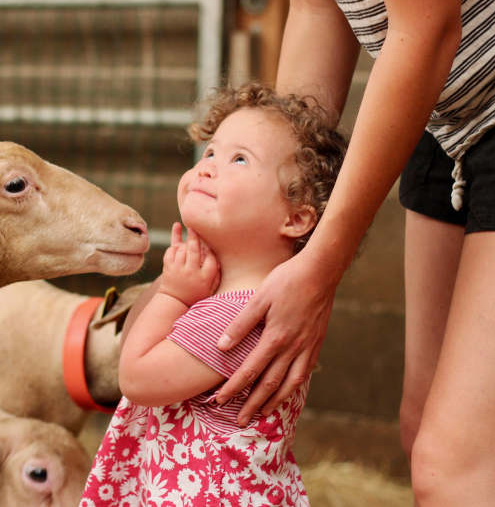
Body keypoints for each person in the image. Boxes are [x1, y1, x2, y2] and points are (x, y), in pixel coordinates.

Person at [212, 0, 495, 504]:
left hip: (487, 79)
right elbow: (317, 9)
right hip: (444, 112)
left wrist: (320, 267)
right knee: (422, 429)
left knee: (457, 467)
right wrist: (276, 221)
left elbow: (426, 29)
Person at [79, 82, 346, 506]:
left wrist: (174, 295)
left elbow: (135, 377)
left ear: (295, 218)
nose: (206, 168)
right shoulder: (232, 299)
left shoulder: (238, 316)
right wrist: (178, 288)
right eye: (209, 153)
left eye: (239, 159)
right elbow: (136, 345)